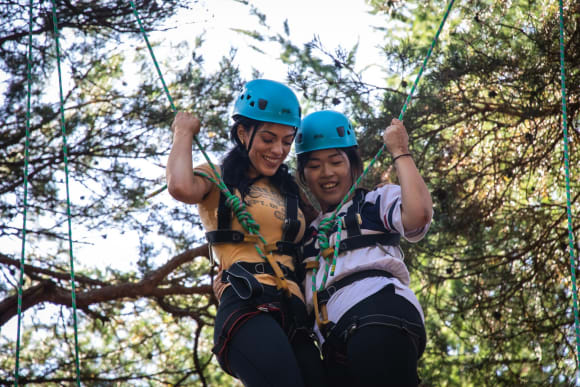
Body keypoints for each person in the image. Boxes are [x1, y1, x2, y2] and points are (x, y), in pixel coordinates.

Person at [166, 79, 326, 387]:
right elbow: (181, 186)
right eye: (268, 138)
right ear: (243, 133)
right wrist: (183, 132)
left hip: (294, 315)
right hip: (248, 302)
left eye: (287, 141)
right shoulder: (218, 177)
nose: (278, 150)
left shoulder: (291, 193)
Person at [294, 110, 433, 387]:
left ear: (354, 166)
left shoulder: (373, 202)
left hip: (377, 314)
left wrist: (400, 152)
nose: (327, 173)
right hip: (334, 345)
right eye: (314, 165)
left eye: (336, 161)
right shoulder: (305, 234)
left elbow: (418, 214)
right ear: (303, 176)